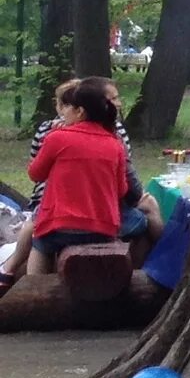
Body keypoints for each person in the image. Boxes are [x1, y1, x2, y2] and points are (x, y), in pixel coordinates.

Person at [0, 78, 133, 297]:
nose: (63, 113)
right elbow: (121, 190)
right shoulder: (114, 143)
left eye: (67, 107)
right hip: (103, 228)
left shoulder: (57, 137)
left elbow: (35, 174)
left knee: (40, 243)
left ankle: (36, 293)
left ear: (80, 111)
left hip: (60, 226)